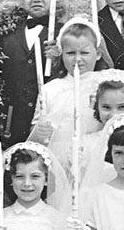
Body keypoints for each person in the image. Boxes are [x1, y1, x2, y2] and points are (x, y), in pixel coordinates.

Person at [28, 17, 103, 170]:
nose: (78, 59)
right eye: (70, 53)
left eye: (84, 53)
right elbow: (36, 131)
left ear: (98, 54)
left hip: (96, 160)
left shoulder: (104, 85)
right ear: (61, 54)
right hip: (59, 160)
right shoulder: (50, 89)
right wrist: (39, 131)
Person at [0, 0, 59, 146]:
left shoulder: (65, 34)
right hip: (13, 126)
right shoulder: (7, 35)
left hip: (50, 127)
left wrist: (58, 62)